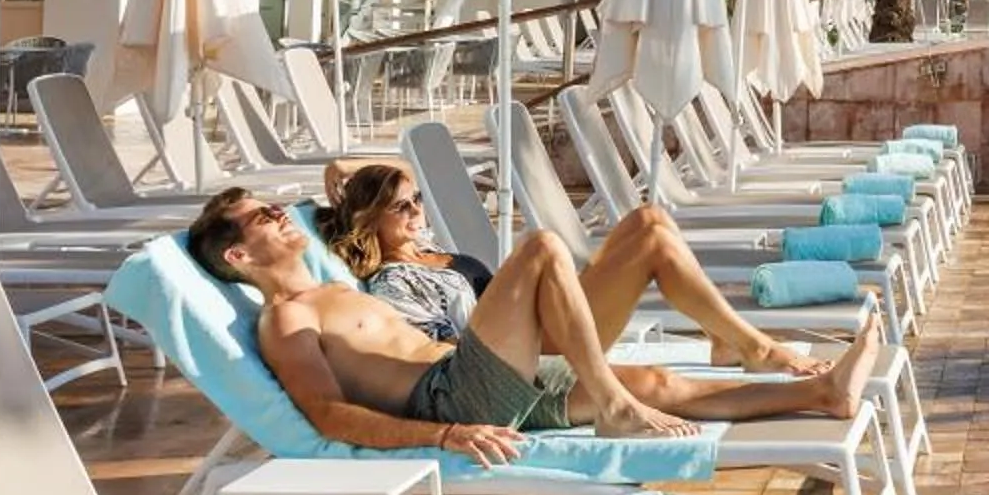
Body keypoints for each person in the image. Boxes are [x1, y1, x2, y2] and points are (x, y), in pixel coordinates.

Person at [185, 187, 877, 467]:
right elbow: (329, 414)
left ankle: (821, 396)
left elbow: (342, 189)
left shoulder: (333, 283)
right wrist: (446, 435)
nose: (280, 212)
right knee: (544, 247)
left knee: (659, 380)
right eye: (261, 215)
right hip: (452, 397)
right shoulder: (287, 319)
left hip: (476, 376)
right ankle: (613, 408)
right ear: (239, 256)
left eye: (275, 205)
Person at [314, 158, 830, 378]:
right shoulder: (392, 281)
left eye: (417, 201)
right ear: (369, 222)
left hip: (547, 324)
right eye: (400, 208)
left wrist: (340, 170)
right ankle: (753, 346)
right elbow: (437, 351)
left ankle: (727, 339)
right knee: (650, 241)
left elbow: (399, 170)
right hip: (534, 353)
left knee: (649, 218)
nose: (415, 212)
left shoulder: (430, 251)